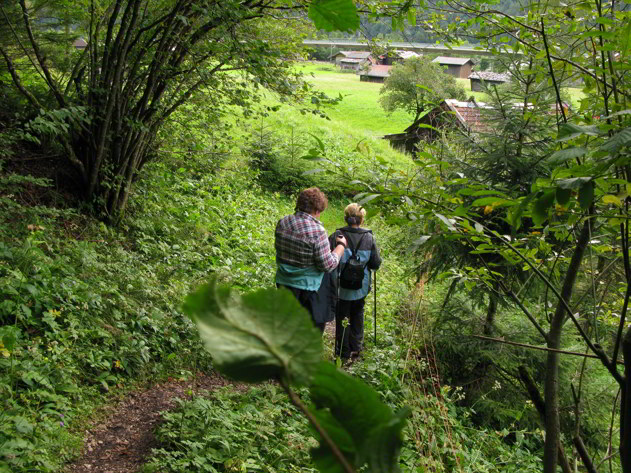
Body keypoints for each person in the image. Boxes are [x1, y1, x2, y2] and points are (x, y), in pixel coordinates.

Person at [275, 187, 347, 332]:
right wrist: (340, 247)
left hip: (283, 282)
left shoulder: (283, 222)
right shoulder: (317, 231)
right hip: (307, 288)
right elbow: (327, 265)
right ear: (317, 210)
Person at [329, 203, 381, 361]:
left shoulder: (337, 235)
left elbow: (329, 260)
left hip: (340, 287)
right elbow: (375, 264)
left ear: (346, 218)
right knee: (357, 314)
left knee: (341, 316)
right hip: (361, 287)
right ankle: (356, 349)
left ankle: (342, 353)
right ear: (362, 219)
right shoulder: (369, 237)